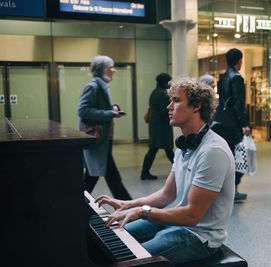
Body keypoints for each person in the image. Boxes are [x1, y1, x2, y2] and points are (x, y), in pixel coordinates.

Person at [95, 77, 235, 265]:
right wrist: (127, 204)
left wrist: (142, 211)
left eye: (176, 101)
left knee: (130, 259)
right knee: (112, 238)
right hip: (181, 224)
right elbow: (166, 195)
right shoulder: (186, 145)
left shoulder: (213, 151)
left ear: (196, 106)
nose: (168, 107)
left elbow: (192, 216)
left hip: (200, 237)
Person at [78, 55, 132, 200]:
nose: (113, 70)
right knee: (110, 176)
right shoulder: (93, 87)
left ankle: (76, 201)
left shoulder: (101, 86)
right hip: (99, 140)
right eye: (110, 67)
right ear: (103, 70)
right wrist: (109, 113)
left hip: (102, 140)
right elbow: (83, 110)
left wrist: (112, 108)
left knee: (94, 175)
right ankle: (128, 205)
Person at [211, 48, 251, 201]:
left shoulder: (223, 77)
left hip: (221, 120)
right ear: (239, 61)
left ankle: (224, 189)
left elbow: (224, 101)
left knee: (227, 157)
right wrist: (244, 124)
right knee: (239, 157)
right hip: (233, 123)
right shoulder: (237, 78)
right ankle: (232, 190)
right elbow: (238, 104)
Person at [140, 73, 174, 180]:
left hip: (154, 124)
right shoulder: (163, 94)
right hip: (162, 126)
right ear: (166, 82)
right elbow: (164, 110)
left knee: (153, 148)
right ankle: (181, 169)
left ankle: (144, 172)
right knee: (168, 149)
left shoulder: (154, 92)